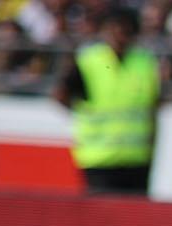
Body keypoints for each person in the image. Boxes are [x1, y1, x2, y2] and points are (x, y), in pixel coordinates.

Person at [51, 7, 161, 196]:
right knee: (104, 219)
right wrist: (84, 114)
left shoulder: (145, 62)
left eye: (126, 31)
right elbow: (61, 94)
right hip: (98, 156)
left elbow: (153, 107)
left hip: (135, 157)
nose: (120, 36)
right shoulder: (89, 60)